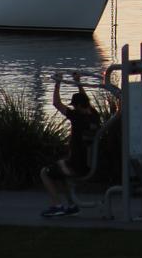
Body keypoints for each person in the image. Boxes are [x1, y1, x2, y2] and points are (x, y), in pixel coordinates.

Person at [40, 72, 101, 217]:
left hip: (77, 166)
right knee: (61, 168)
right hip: (87, 164)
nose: (73, 108)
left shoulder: (77, 117)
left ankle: (57, 205)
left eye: (75, 105)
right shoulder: (94, 116)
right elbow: (86, 101)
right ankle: (72, 204)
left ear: (79, 106)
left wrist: (58, 82)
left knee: (44, 173)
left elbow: (56, 103)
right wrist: (78, 82)